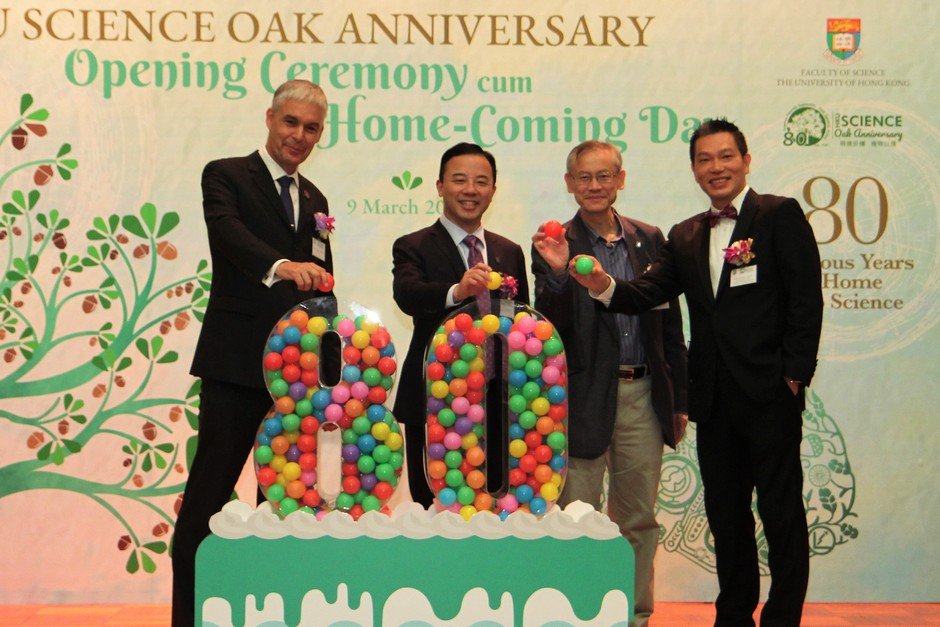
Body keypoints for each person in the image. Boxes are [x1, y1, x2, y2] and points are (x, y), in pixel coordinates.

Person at [550, 120, 823, 627]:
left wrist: (795, 374)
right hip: (715, 399)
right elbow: (644, 295)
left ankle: (783, 617)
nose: (715, 168)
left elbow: (807, 298)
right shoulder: (684, 234)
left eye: (725, 157)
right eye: (704, 159)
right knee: (726, 513)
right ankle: (734, 614)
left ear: (745, 160)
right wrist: (600, 281)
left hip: (770, 394)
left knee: (781, 511)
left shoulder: (778, 215)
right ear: (694, 168)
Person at [172, 80, 333, 626]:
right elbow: (229, 235)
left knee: (284, 502)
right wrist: (281, 267)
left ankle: (268, 615)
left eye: (311, 128)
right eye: (291, 123)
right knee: (209, 496)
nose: (299, 136)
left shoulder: (317, 200)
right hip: (235, 365)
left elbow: (320, 285)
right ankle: (187, 617)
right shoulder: (225, 174)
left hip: (296, 378)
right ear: (269, 118)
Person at [531, 140, 688, 627]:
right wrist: (558, 274)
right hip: (580, 398)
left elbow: (671, 327)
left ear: (621, 180)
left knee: (638, 518)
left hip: (643, 393)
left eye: (604, 176)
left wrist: (678, 399)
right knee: (576, 514)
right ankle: (578, 614)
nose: (594, 186)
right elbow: (548, 328)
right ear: (569, 183)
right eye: (584, 177)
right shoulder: (554, 241)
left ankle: (634, 616)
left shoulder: (652, 239)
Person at [392, 142, 530, 508]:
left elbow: (523, 322)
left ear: (493, 191)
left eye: (481, 182)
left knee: (497, 501)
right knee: (432, 504)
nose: (470, 190)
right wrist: (458, 290)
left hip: (500, 400)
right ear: (440, 186)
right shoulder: (413, 245)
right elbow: (408, 295)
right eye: (459, 180)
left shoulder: (509, 251)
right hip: (437, 397)